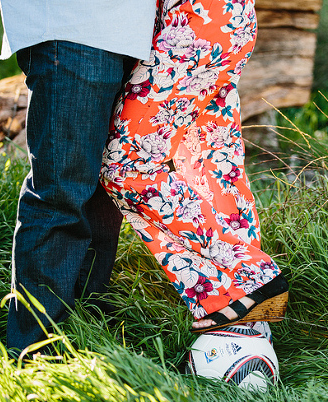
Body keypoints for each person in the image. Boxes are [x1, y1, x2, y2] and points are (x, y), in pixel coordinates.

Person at [101, 0, 289, 340]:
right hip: (225, 18)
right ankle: (243, 311)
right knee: (213, 161)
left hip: (195, 23)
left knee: (124, 164)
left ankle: (249, 276)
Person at [0, 0, 157, 356]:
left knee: (103, 190)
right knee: (62, 191)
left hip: (129, 33)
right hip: (74, 25)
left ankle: (83, 335)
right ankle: (34, 352)